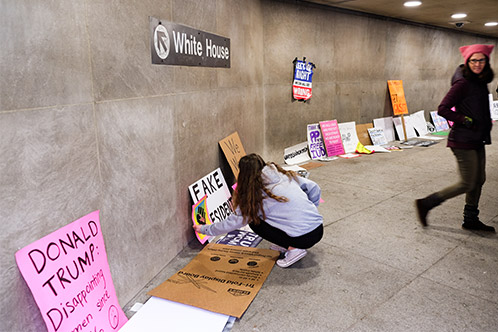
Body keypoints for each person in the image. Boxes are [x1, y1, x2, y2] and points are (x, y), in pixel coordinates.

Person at [416, 44, 495, 232]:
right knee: (467, 182)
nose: (477, 64)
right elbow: (442, 108)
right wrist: (464, 120)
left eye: (481, 60)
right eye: (473, 60)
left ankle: (470, 219)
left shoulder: (480, 81)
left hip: (477, 138)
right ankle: (426, 203)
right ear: (467, 62)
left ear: (486, 61)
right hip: (462, 140)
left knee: (479, 179)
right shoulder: (463, 83)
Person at [193, 153, 324, 268]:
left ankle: (294, 249)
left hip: (303, 238)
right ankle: (289, 244)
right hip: (318, 229)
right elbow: (314, 187)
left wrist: (204, 229)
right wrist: (310, 208)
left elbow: (234, 222)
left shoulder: (254, 195)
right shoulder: (283, 175)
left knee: (254, 222)